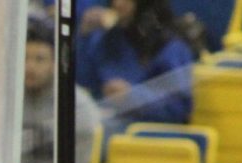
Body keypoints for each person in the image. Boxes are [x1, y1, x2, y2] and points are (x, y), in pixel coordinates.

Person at [75, 0, 196, 132]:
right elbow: (84, 83)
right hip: (106, 119)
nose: (118, 4)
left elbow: (179, 110)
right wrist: (84, 37)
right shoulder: (107, 40)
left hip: (151, 133)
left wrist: (133, 96)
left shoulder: (170, 47)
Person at [20, 16, 101, 163]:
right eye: (24, 58)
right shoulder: (10, 99)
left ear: (54, 64)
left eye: (39, 59)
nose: (30, 67)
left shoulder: (76, 104)